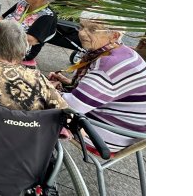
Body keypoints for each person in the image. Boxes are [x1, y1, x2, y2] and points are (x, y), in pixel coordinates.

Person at [47, 11, 146, 153]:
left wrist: (48, 89)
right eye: (81, 27)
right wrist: (67, 83)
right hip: (126, 130)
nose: (82, 33)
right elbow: (107, 91)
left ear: (114, 36)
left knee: (34, 102)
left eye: (92, 29)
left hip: (105, 135)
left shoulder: (109, 66)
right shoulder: (122, 51)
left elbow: (71, 106)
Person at [0, 0, 59, 67]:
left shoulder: (48, 16)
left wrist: (0, 31)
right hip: (2, 40)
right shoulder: (22, 3)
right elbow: (2, 17)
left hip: (20, 51)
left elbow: (30, 40)